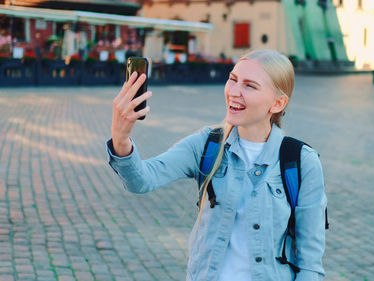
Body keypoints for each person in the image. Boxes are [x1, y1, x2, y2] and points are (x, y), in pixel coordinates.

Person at [106, 49, 327, 281]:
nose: (234, 92)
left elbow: (310, 264)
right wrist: (120, 139)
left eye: (250, 86)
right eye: (233, 80)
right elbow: (141, 180)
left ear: (278, 103)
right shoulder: (207, 145)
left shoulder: (301, 162)